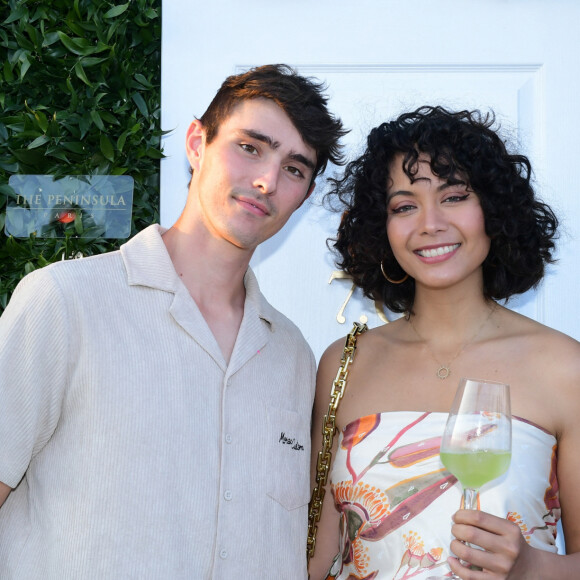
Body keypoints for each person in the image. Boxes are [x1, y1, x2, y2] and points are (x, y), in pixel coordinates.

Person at [0, 64, 347, 579]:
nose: (267, 180)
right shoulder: (65, 301)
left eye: (295, 168)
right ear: (196, 143)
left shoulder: (292, 354)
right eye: (250, 147)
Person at [309, 106, 580, 579]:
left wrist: (533, 567)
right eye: (404, 206)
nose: (429, 223)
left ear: (493, 211)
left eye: (454, 197)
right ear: (382, 228)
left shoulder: (564, 367)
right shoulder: (343, 364)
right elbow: (316, 556)